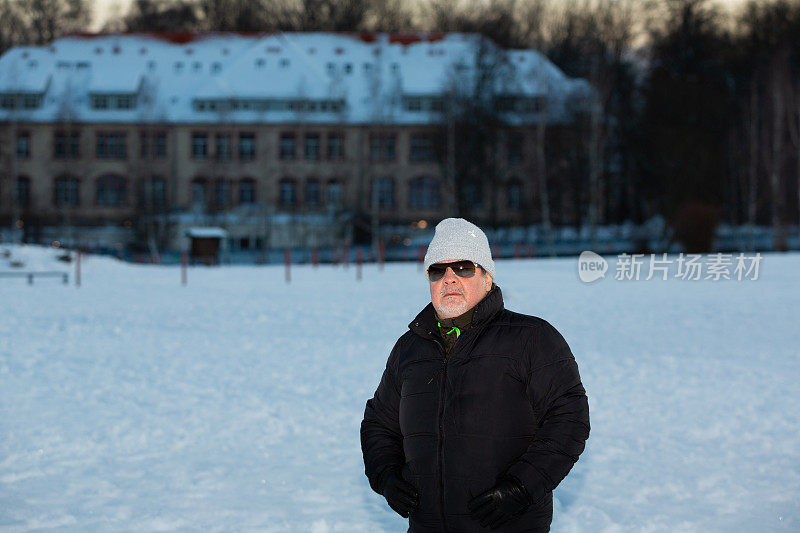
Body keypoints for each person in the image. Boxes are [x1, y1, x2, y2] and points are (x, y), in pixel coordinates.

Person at [360, 218, 590, 532]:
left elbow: (569, 420)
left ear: (486, 276)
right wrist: (385, 475)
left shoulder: (532, 338)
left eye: (464, 268)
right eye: (438, 270)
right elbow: (379, 422)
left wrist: (521, 488)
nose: (449, 279)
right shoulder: (410, 348)